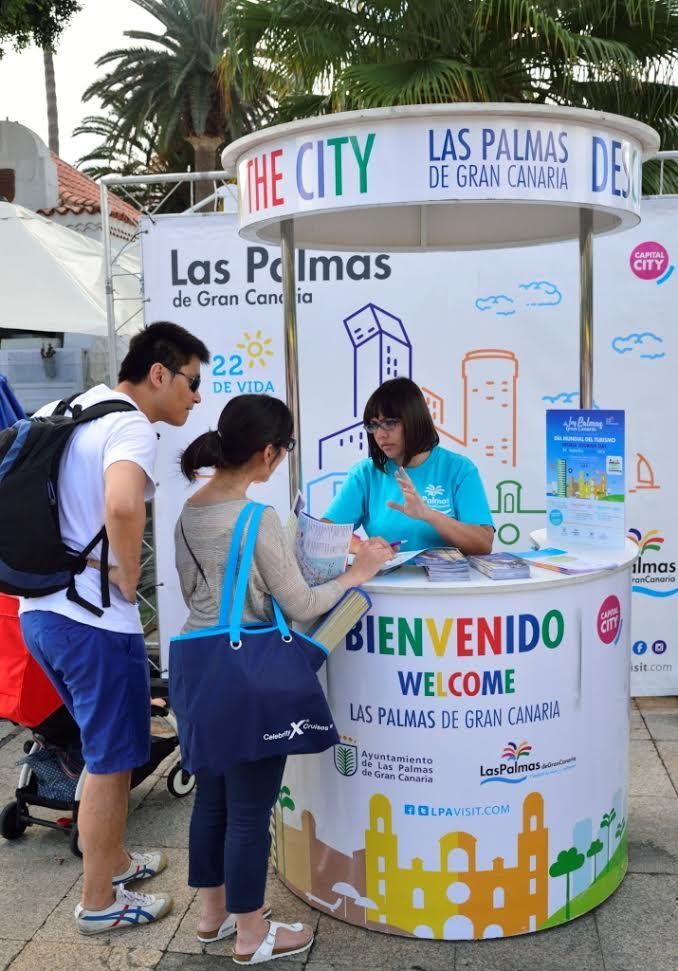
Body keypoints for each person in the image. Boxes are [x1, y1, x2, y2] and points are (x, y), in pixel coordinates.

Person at [175, 394, 392, 965]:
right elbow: (299, 604)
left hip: (199, 671)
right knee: (250, 812)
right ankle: (251, 935)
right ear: (268, 452)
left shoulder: (190, 509)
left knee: (213, 799)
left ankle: (213, 916)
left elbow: (202, 593)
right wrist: (360, 570)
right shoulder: (254, 517)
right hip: (249, 678)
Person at [19, 321, 210, 935]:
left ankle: (117, 862)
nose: (197, 397)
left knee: (102, 749)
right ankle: (99, 903)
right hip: (93, 621)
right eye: (192, 382)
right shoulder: (128, 422)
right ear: (160, 372)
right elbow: (123, 504)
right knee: (110, 760)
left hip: (40, 610)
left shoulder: (63, 407)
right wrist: (129, 579)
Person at [324, 377, 494, 555]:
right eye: (374, 426)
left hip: (446, 581)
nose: (381, 434)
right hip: (384, 581)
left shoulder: (460, 470)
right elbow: (325, 534)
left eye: (390, 423)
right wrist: (362, 547)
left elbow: (483, 544)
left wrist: (428, 514)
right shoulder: (365, 474)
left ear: (415, 420)